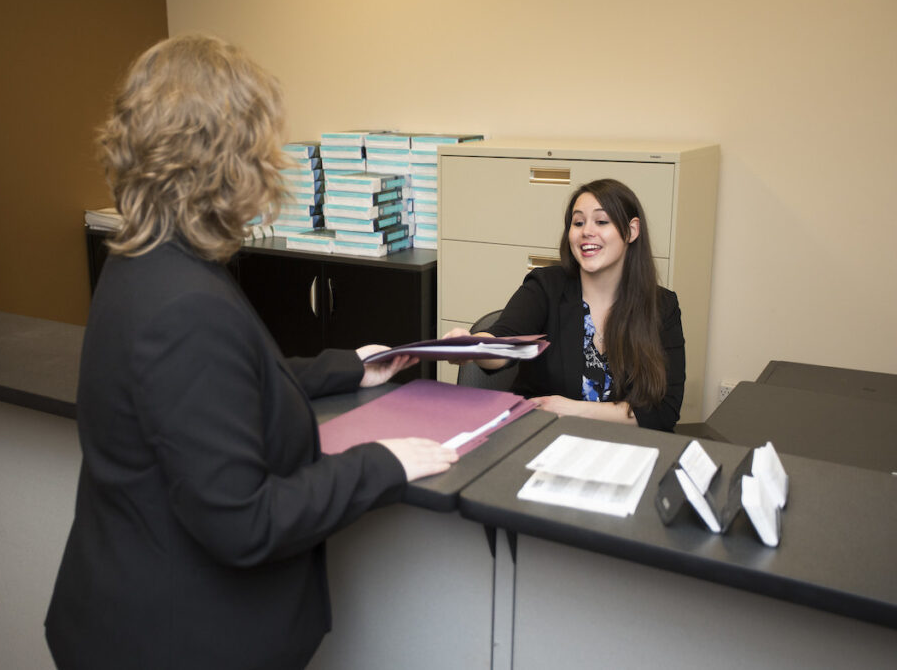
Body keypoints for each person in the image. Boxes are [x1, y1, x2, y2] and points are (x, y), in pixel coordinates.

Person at [44, 34, 457, 669]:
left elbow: (222, 386)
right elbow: (245, 522)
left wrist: (350, 367)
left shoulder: (141, 261)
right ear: (229, 157)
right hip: (175, 643)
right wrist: (381, 464)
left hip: (127, 616)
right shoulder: (186, 305)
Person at [446, 178, 684, 431]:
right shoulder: (546, 286)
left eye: (601, 221)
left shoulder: (662, 306)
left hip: (624, 449)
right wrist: (474, 347)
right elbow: (507, 341)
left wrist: (572, 409)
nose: (586, 231)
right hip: (542, 438)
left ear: (631, 231)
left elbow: (663, 411)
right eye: (578, 222)